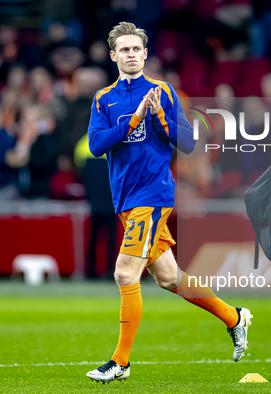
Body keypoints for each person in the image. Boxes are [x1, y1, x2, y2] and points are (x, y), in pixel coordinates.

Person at [85, 22, 252, 383]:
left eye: (136, 49)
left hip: (154, 194)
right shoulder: (103, 98)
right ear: (113, 56)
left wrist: (160, 118)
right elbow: (96, 145)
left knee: (124, 272)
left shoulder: (163, 91)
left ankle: (121, 362)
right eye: (123, 49)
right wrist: (133, 120)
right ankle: (234, 317)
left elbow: (188, 143)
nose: (131, 54)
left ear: (145, 54)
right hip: (125, 198)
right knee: (169, 278)